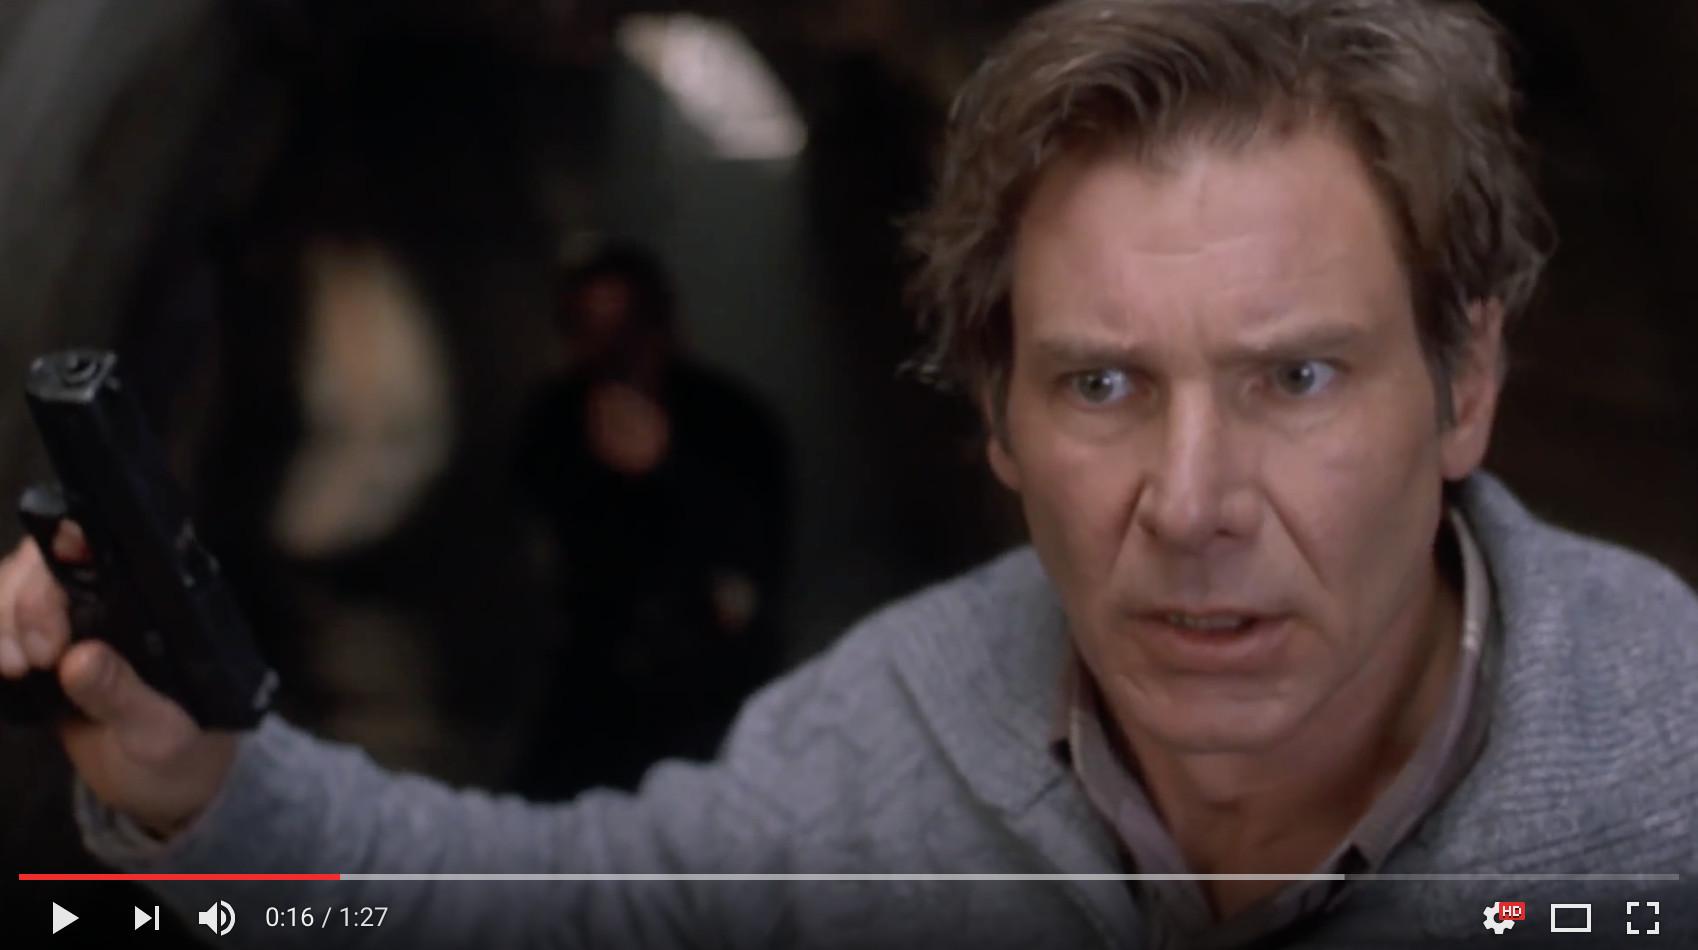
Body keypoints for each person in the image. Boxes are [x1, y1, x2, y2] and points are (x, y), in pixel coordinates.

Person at [1, 1, 1695, 947]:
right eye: (1100, 383)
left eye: (1295, 377)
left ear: (1463, 386)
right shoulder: (900, 732)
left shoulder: (1661, 788)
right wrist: (199, 783)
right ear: (996, 421)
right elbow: (555, 913)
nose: (1188, 502)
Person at [511, 244, 790, 796]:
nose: (613, 352)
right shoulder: (552, 424)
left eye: (628, 328)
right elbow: (533, 551)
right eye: (590, 330)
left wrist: (669, 468)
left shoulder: (732, 421)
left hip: (713, 690)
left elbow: (760, 555)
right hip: (591, 694)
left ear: (664, 329)